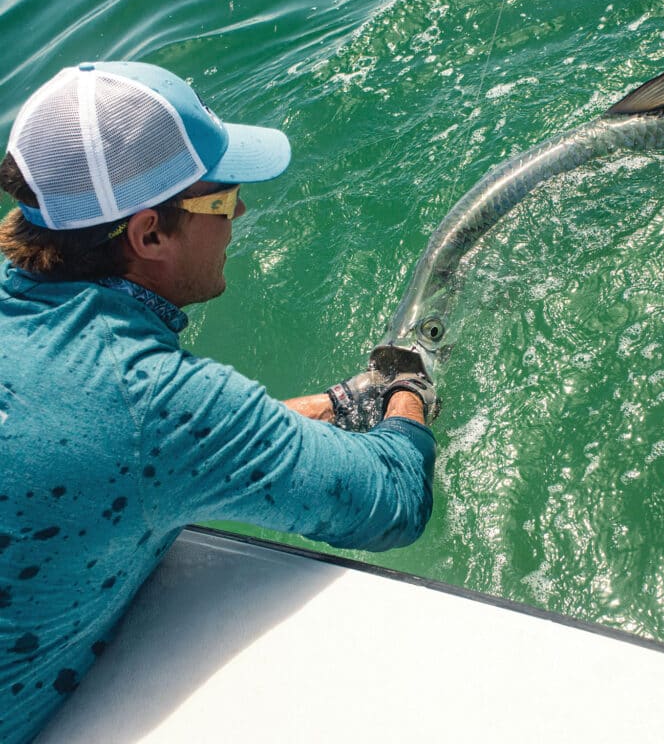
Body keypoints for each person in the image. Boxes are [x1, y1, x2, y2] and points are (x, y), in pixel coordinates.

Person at [0, 61, 439, 743]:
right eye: (220, 198)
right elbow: (390, 497)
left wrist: (340, 401)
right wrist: (409, 379)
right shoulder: (150, 398)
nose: (239, 211)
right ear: (148, 235)